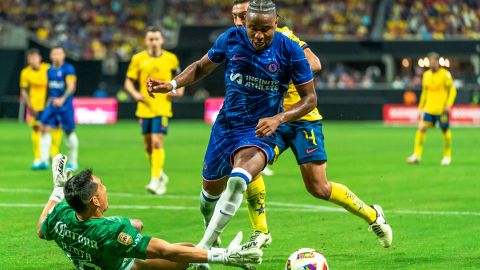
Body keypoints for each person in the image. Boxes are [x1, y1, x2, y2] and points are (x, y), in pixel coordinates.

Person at [147, 3, 317, 269]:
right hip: (226, 126)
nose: (259, 35)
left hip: (260, 130)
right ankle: (212, 235)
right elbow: (202, 67)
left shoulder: (290, 49)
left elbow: (310, 99)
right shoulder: (231, 38)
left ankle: (202, 253)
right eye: (253, 29)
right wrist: (172, 84)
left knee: (239, 179)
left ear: (276, 24)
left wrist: (279, 118)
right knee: (207, 197)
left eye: (265, 29)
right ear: (245, 24)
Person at [230, 0, 392, 254]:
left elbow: (314, 63)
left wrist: (284, 69)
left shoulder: (283, 37)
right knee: (248, 167)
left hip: (302, 119)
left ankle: (372, 215)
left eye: (243, 16)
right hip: (271, 122)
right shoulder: (239, 43)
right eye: (236, 18)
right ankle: (260, 231)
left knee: (318, 188)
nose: (239, 23)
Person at [37, 154, 262, 270]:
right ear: (95, 199)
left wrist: (57, 191)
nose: (106, 189)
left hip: (101, 257)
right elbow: (165, 251)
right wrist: (223, 257)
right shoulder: (112, 231)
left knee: (186, 249)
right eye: (102, 186)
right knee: (184, 254)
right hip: (123, 266)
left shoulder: (62, 214)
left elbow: (41, 229)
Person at [125, 26, 185, 195]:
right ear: (146, 41)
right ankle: (160, 174)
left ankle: (154, 179)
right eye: (150, 39)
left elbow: (180, 80)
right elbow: (128, 82)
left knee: (157, 141)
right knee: (148, 146)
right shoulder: (138, 59)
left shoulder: (171, 59)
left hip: (162, 107)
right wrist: (136, 94)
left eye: (156, 39)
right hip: (144, 107)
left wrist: (178, 91)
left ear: (162, 40)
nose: (153, 42)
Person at [407, 52, 457, 165]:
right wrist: (420, 108)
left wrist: (449, 104)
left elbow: (453, 90)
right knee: (421, 128)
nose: (432, 64)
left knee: (445, 131)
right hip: (429, 109)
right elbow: (424, 93)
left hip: (442, 110)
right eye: (430, 61)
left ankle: (447, 156)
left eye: (434, 61)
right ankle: (416, 155)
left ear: (438, 62)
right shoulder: (426, 75)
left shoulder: (445, 74)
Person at [20, 48, 63, 170]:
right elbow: (24, 90)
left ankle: (53, 153)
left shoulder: (47, 68)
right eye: (30, 58)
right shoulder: (25, 72)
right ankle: (38, 157)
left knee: (55, 128)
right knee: (37, 129)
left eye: (34, 57)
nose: (32, 60)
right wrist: (29, 105)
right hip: (35, 106)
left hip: (49, 104)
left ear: (39, 58)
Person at [38, 47, 79, 171]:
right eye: (54, 54)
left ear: (64, 55)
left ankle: (73, 162)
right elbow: (50, 88)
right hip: (52, 104)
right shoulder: (49, 70)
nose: (56, 56)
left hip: (65, 105)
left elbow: (71, 86)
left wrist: (62, 99)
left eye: (59, 54)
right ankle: (44, 160)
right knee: (43, 127)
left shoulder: (68, 69)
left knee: (68, 131)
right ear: (51, 56)